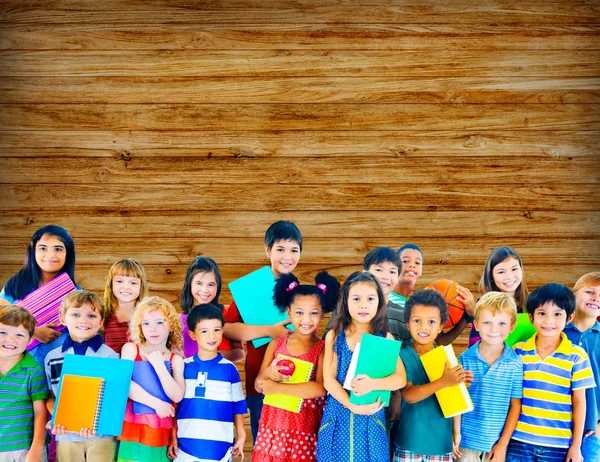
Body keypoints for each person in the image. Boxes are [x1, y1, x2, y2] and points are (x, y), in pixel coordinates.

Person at [224, 221, 303, 441]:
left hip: (296, 381)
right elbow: (229, 329)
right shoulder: (251, 288)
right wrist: (270, 331)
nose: (287, 256)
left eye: (293, 250)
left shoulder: (302, 292)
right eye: (280, 249)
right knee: (264, 445)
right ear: (267, 250)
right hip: (259, 379)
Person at [316, 271, 406, 461]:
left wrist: (373, 384)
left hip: (371, 420)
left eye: (370, 299)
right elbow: (328, 380)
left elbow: (400, 379)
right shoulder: (335, 336)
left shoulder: (384, 339)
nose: (363, 304)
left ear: (380, 303)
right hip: (338, 416)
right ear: (345, 302)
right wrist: (351, 406)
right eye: (356, 298)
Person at [252, 271, 340, 462]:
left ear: (323, 313)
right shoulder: (276, 344)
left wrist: (278, 388)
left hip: (303, 428)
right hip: (272, 427)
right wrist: (268, 373)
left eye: (313, 313)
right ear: (289, 312)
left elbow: (320, 389)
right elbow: (258, 385)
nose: (306, 320)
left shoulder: (322, 348)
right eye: (299, 312)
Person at [507, 283, 595, 462]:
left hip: (558, 445)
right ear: (531, 317)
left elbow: (579, 403)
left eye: (557, 314)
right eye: (542, 313)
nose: (549, 321)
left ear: (569, 317)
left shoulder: (577, 356)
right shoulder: (518, 352)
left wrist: (576, 447)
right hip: (518, 441)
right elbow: (511, 399)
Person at [394, 289, 472, 462]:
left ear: (440, 327)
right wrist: (444, 381)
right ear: (407, 324)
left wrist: (456, 433)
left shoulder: (447, 357)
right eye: (417, 321)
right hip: (410, 442)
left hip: (441, 444)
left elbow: (455, 402)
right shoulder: (402, 356)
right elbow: (409, 395)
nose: (424, 327)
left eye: (431, 322)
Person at [45, 290, 119, 461]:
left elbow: (113, 398)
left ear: (101, 322)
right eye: (76, 314)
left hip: (101, 436)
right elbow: (50, 396)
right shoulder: (52, 358)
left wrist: (98, 424)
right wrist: (57, 417)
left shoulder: (111, 356)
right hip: (66, 435)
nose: (83, 320)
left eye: (91, 316)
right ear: (63, 319)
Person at [169, 304, 246, 461]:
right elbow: (176, 406)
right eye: (204, 331)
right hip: (185, 449)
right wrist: (172, 435)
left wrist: (242, 435)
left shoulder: (229, 369)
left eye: (217, 330)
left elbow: (237, 406)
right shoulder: (183, 367)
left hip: (220, 451)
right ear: (192, 334)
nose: (212, 336)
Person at [453, 292, 523, 462]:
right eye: (487, 322)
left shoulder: (515, 363)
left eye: (501, 323)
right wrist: (455, 434)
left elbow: (515, 406)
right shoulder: (464, 359)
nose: (494, 329)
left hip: (496, 444)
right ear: (476, 324)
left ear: (511, 326)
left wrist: (503, 444)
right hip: (465, 443)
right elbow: (456, 399)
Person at [117, 297, 185, 462]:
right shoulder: (131, 349)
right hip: (132, 424)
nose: (152, 329)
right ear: (140, 327)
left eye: (159, 322)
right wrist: (157, 404)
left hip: (160, 427)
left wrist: (160, 367)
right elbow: (124, 382)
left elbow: (177, 396)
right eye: (146, 323)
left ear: (171, 326)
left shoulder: (175, 359)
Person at [1, 225, 78, 366]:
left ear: (68, 253)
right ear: (33, 251)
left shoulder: (75, 293)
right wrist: (34, 332)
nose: (50, 254)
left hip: (58, 365)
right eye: (43, 248)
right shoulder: (16, 285)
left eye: (58, 249)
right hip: (18, 366)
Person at [0, 305, 49, 461]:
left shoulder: (33, 371)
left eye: (19, 335)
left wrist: (36, 449)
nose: (10, 339)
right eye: (3, 332)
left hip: (23, 450)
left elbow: (40, 413)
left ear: (30, 339)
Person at [564, 272, 600, 461]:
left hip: (589, 432)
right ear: (573, 295)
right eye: (590, 292)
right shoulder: (555, 331)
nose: (596, 298)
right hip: (552, 427)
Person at [179, 256, 244, 362]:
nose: (204, 290)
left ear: (217, 287)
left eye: (211, 284)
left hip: (221, 375)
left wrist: (215, 355)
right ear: (189, 284)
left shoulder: (228, 312)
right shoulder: (179, 320)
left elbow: (240, 353)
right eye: (199, 283)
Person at [469, 246, 529, 347]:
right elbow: (474, 348)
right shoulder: (484, 306)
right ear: (491, 276)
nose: (509, 276)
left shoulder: (533, 304)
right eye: (501, 272)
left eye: (514, 269)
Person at [102, 258, 149, 355]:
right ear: (111, 284)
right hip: (109, 367)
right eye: (119, 281)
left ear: (141, 286)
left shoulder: (147, 315)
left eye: (133, 283)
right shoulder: (103, 314)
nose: (126, 287)